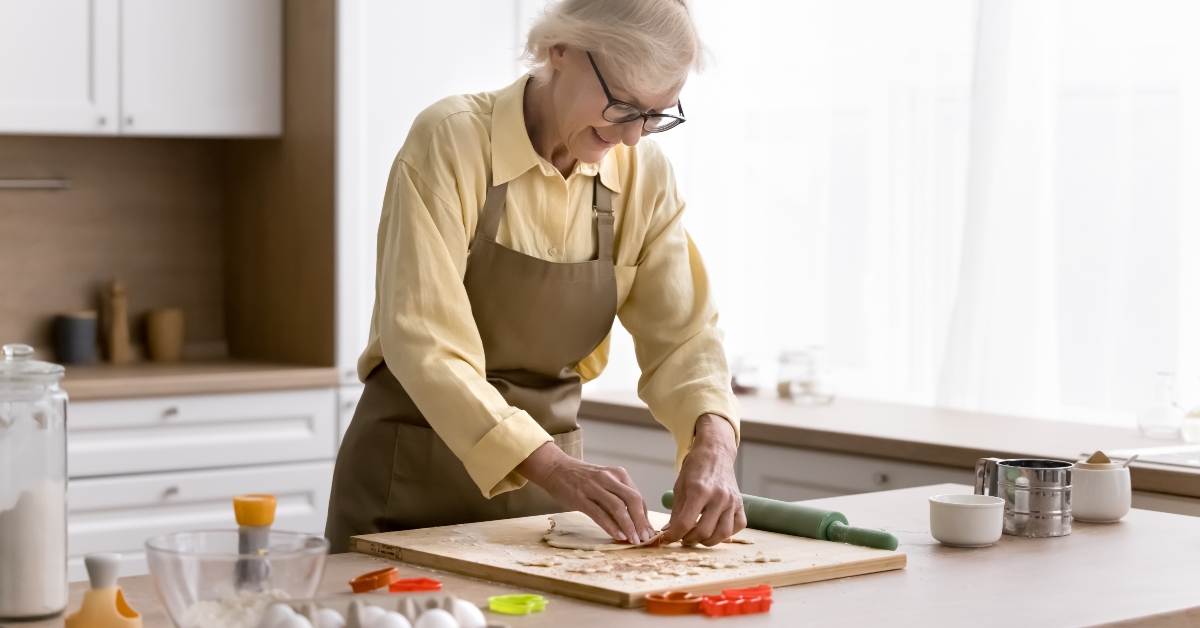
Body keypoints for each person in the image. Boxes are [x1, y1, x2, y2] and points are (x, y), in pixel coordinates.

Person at [326, 0, 744, 554]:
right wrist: (555, 468)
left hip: (544, 514)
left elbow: (684, 337)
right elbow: (424, 340)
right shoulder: (452, 140)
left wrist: (713, 443)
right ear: (560, 50)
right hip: (408, 490)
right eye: (622, 104)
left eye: (655, 115)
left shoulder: (643, 174)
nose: (633, 137)